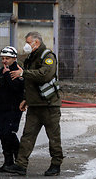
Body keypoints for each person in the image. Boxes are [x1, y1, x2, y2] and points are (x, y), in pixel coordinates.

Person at [5, 32, 63, 176]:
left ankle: (56, 165)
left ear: (36, 43)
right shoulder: (30, 58)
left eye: (28, 42)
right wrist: (26, 99)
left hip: (49, 106)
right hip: (35, 105)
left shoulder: (47, 56)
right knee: (27, 136)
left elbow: (45, 75)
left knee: (53, 137)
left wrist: (23, 73)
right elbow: (29, 83)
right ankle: (21, 165)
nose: (26, 45)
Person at [0, 46, 24, 173]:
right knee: (2, 133)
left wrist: (7, 75)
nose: (4, 61)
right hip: (2, 108)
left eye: (7, 58)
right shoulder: (2, 70)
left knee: (9, 133)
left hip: (13, 108)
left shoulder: (17, 71)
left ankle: (20, 162)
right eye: (3, 58)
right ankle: (8, 162)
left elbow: (17, 88)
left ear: (14, 58)